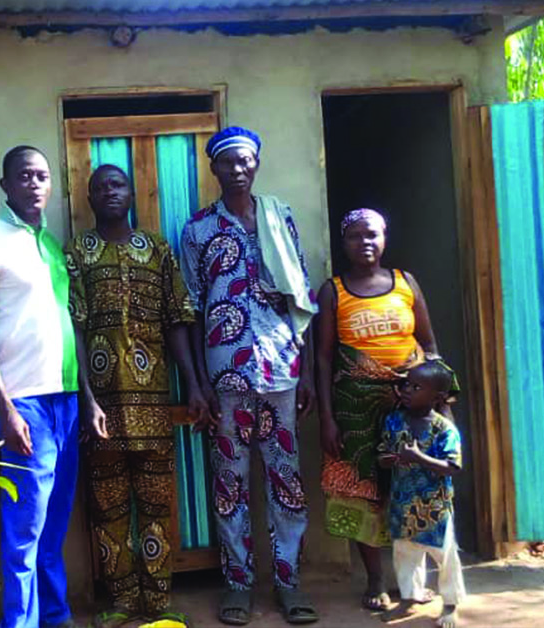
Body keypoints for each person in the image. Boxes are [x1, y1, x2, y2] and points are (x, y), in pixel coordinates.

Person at [0, 145, 107, 628]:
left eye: (42, 176)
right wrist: (5, 408)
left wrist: (87, 399)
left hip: (64, 399)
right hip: (22, 402)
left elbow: (68, 325)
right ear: (5, 185)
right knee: (23, 529)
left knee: (54, 524)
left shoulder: (52, 246)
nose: (34, 184)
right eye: (24, 176)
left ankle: (55, 615)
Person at [179, 127, 319, 625]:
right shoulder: (197, 230)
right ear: (213, 169)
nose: (238, 169)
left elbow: (300, 295)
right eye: (228, 162)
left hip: (282, 371)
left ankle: (289, 583)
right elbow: (191, 309)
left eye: (247, 161)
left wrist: (306, 376)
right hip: (228, 377)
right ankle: (238, 585)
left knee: (287, 482)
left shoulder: (279, 218)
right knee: (229, 484)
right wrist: (196, 383)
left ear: (256, 164)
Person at [65, 165, 205, 628]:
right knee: (107, 506)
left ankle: (158, 599)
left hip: (154, 404)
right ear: (89, 197)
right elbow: (76, 329)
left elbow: (178, 320)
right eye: (101, 186)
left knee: (156, 502)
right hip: (101, 406)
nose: (109, 192)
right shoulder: (78, 252)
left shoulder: (158, 250)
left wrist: (195, 386)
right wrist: (87, 398)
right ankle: (122, 600)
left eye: (117, 184)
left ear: (130, 193)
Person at [315, 208, 444, 612]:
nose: (364, 243)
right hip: (357, 411)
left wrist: (437, 398)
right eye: (355, 236)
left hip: (411, 408)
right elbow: (322, 359)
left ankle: (412, 578)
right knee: (365, 493)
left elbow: (431, 347)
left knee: (414, 489)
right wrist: (327, 418)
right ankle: (374, 577)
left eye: (372, 234)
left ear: (385, 237)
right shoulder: (333, 292)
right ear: (344, 243)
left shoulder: (405, 283)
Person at [378, 360, 465, 628]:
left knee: (446, 557)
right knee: (405, 553)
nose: (406, 390)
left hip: (435, 508)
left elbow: (452, 467)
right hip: (403, 504)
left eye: (416, 387)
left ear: (436, 397)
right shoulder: (394, 421)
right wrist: (393, 459)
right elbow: (382, 455)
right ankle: (409, 597)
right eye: (406, 384)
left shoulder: (444, 429)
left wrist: (418, 457)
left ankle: (450, 604)